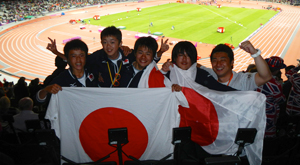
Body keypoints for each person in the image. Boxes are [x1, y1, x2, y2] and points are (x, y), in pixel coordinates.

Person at [47, 26, 169, 87]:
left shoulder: (129, 54)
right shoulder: (97, 57)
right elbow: (78, 59)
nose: (108, 46)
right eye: (105, 42)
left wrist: (160, 52)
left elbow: (146, 58)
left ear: (120, 43)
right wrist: (57, 52)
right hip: (105, 101)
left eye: (112, 42)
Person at [36, 39, 100, 105]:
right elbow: (39, 100)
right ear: (67, 59)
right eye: (74, 56)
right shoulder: (62, 79)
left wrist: (56, 52)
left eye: (81, 55)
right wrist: (46, 90)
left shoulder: (93, 70)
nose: (78, 60)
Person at [161, 41, 236, 91]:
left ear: (193, 58)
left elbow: (219, 89)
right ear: (175, 57)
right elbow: (153, 86)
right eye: (181, 55)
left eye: (188, 56)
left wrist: (243, 95)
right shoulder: (167, 73)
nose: (184, 59)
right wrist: (163, 73)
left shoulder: (202, 75)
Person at [199, 41, 272, 91]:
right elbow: (194, 65)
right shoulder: (210, 75)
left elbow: (265, 77)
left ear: (231, 62)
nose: (218, 64)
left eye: (223, 60)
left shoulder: (243, 81)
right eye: (214, 60)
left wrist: (255, 53)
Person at [251, 57, 286, 138]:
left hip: (253, 112)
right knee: (268, 138)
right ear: (277, 71)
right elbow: (280, 100)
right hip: (268, 115)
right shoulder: (275, 85)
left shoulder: (254, 77)